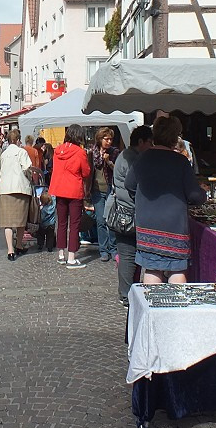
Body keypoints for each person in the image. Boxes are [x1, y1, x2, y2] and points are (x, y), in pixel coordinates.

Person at [125, 116, 206, 284]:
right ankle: (175, 309)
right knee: (177, 268)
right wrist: (203, 193)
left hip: (147, 223)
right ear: (175, 136)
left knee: (152, 267)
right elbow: (194, 196)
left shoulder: (142, 158)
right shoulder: (180, 161)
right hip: (174, 224)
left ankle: (152, 308)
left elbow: (129, 184)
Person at [113, 125, 153, 307]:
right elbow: (134, 185)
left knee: (129, 255)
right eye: (149, 142)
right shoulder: (132, 159)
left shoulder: (126, 155)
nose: (151, 146)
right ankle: (126, 295)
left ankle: (128, 292)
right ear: (141, 142)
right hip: (128, 213)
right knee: (128, 255)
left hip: (126, 211)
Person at [49, 124, 92, 268]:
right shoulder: (80, 152)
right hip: (74, 190)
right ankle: (72, 257)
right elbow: (86, 172)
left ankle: (61, 254)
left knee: (61, 223)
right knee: (74, 225)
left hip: (59, 189)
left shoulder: (57, 151)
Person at [0, 129, 33, 261]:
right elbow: (27, 169)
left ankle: (10, 250)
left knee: (8, 222)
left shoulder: (4, 154)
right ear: (18, 140)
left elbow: (1, 171)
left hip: (5, 189)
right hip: (19, 188)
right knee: (20, 220)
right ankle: (18, 245)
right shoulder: (21, 151)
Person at [89, 127, 120, 263]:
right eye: (105, 139)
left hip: (110, 190)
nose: (108, 141)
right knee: (101, 221)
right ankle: (103, 250)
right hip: (96, 190)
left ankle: (113, 249)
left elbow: (118, 170)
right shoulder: (92, 152)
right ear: (99, 139)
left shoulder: (115, 152)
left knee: (111, 221)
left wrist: (108, 162)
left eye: (110, 139)